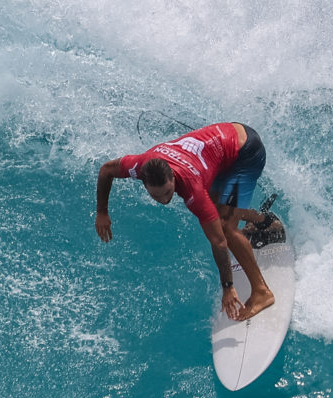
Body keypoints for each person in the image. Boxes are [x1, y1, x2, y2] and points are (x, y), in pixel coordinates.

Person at [95, 122, 279, 323]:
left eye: (168, 192)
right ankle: (264, 222)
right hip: (225, 140)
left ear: (173, 177)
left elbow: (219, 242)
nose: (164, 199)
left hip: (246, 151)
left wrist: (228, 287)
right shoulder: (138, 165)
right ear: (143, 182)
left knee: (225, 227)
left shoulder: (193, 190)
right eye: (156, 196)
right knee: (217, 205)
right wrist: (102, 212)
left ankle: (262, 292)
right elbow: (106, 170)